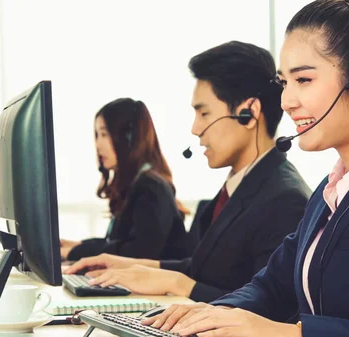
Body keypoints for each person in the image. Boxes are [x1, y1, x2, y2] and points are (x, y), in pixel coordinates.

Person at [139, 1, 349, 336]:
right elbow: (272, 287)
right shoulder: (329, 192)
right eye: (284, 83)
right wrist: (214, 313)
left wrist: (291, 334)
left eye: (303, 80)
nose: (286, 101)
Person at [65, 41, 312, 303]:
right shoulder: (242, 185)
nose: (195, 128)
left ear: (248, 114)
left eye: (204, 113)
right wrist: (125, 264)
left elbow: (268, 310)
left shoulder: (284, 200)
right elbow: (202, 270)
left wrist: (177, 283)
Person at [61, 98, 190, 261]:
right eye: (97, 135)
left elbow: (137, 253)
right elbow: (119, 243)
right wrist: (79, 245)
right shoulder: (136, 184)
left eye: (104, 134)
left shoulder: (151, 187)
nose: (98, 144)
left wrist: (76, 252)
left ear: (130, 138)